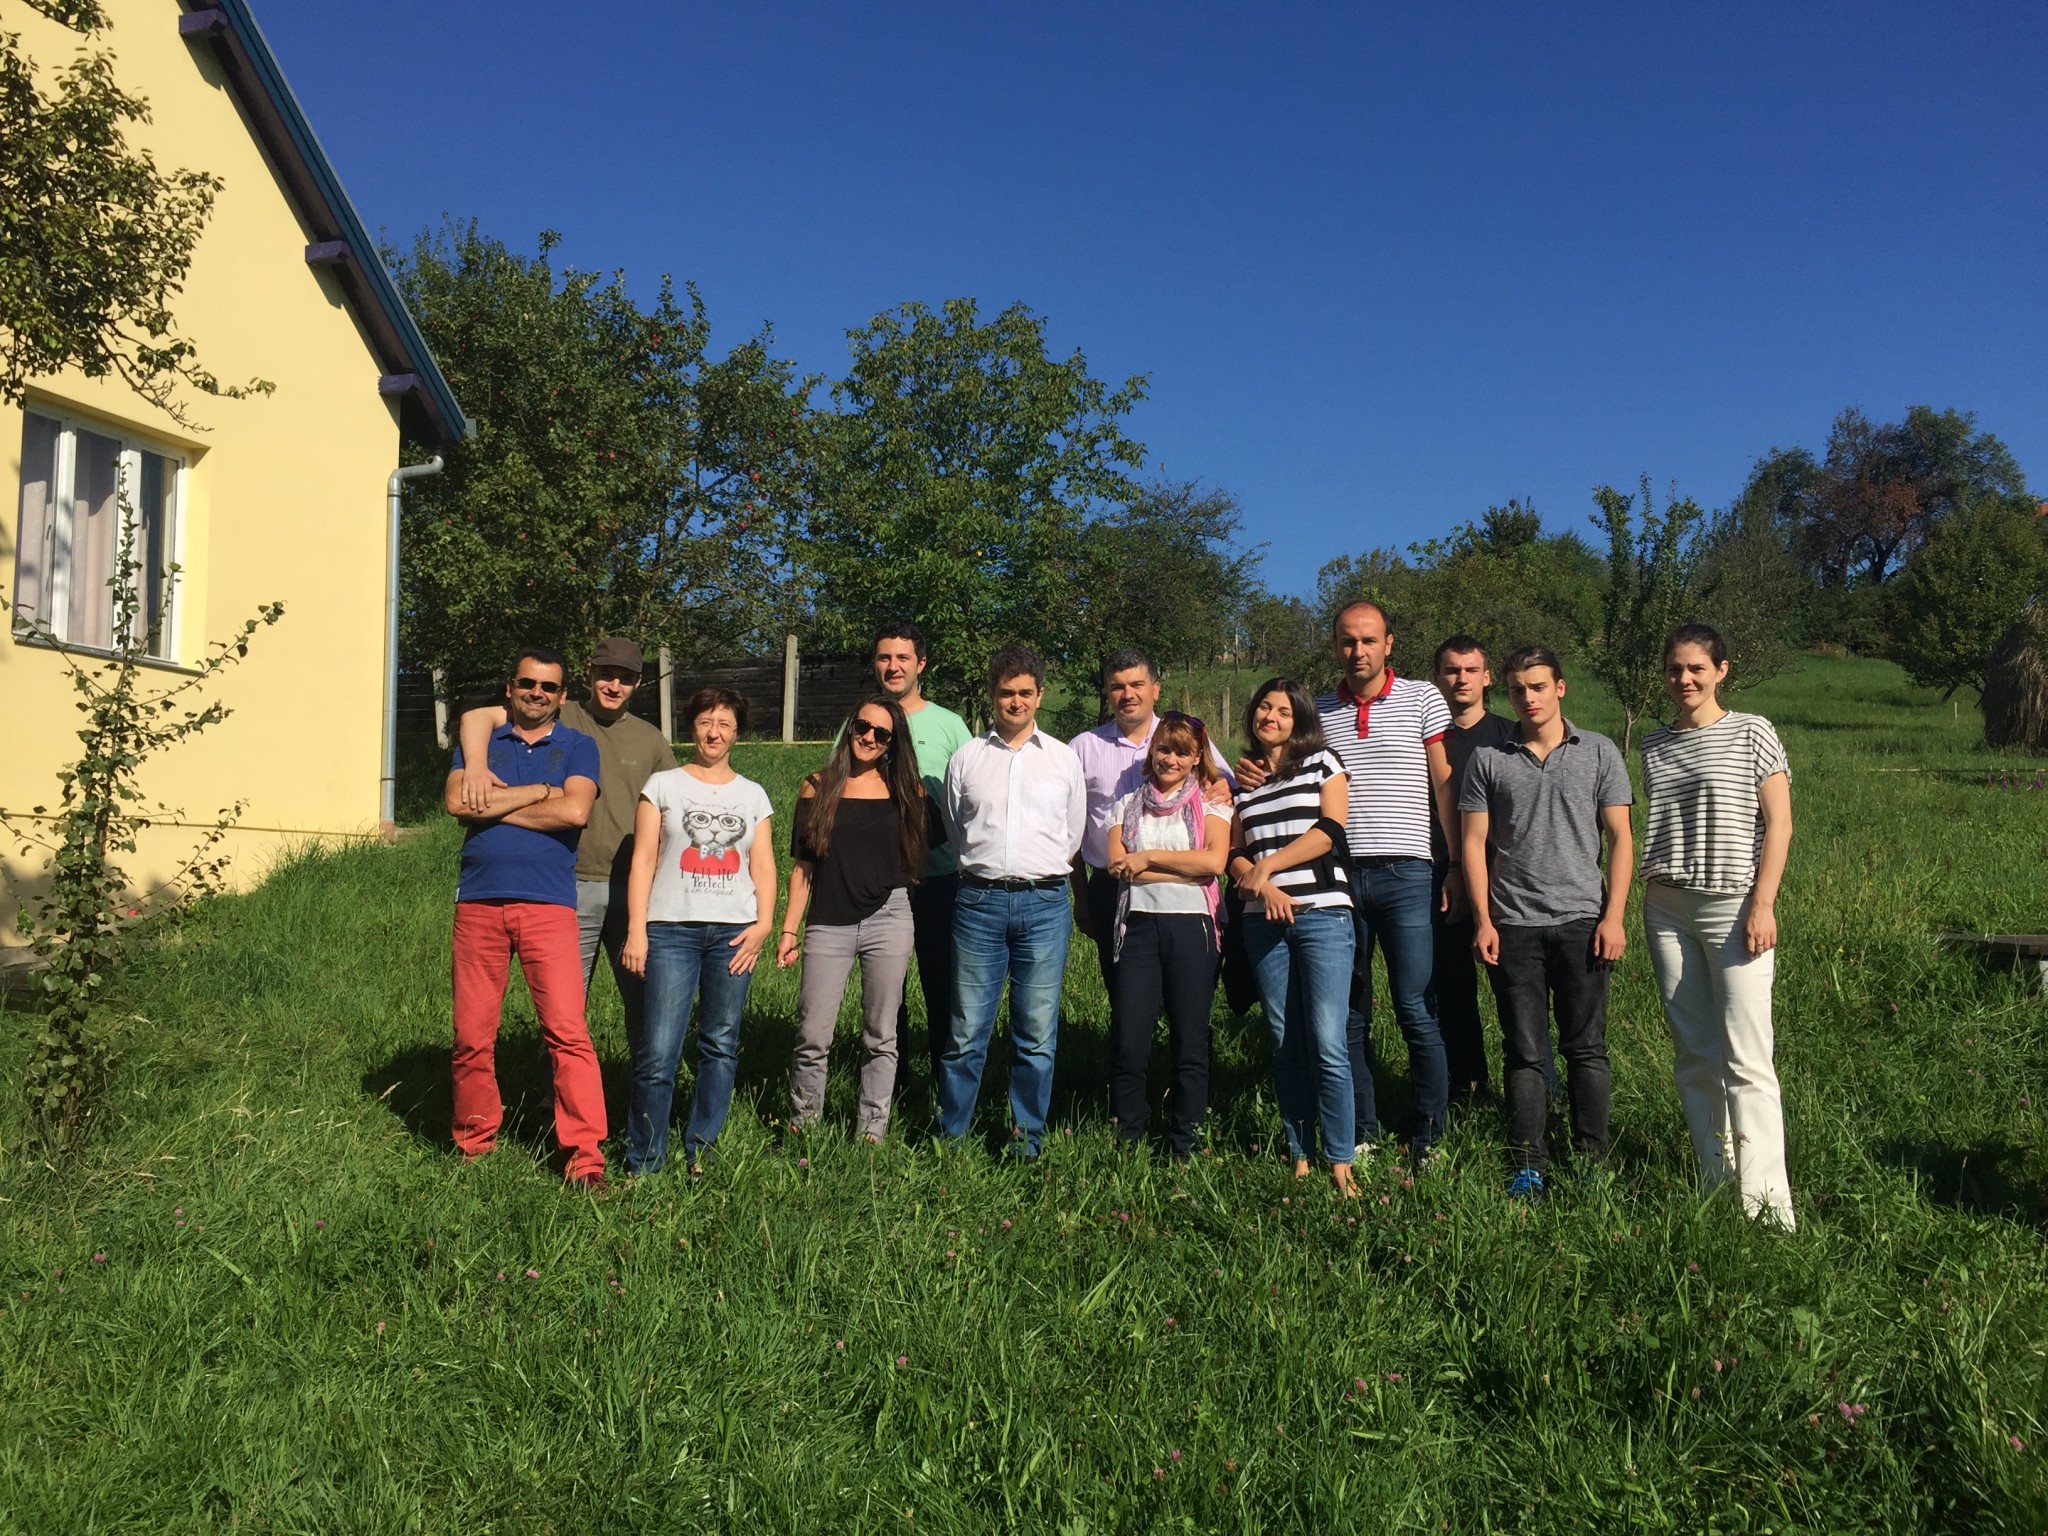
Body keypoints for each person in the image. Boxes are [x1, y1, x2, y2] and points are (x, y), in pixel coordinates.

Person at [1239, 601, 1456, 1165]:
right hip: (1336, 879)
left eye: (1368, 640)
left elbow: (1443, 784)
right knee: (1350, 1015)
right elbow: (1283, 767)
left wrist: (1452, 862)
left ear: (1389, 643)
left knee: (1415, 1004)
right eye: (1347, 641)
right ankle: (1362, 1130)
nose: (1358, 650)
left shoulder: (1422, 698)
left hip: (1407, 870)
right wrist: (1247, 772)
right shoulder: (1319, 711)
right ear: (1335, 645)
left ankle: (1430, 1132)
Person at [1461, 646, 1633, 1200]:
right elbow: (1473, 843)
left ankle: (1591, 1161)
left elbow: (1620, 838)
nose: (1528, 698)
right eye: (1517, 689)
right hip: (1513, 924)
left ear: (1560, 687)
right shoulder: (1488, 758)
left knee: (1586, 1049)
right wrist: (1483, 920)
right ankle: (1527, 1164)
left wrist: (1614, 916)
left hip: (1584, 920)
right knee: (1524, 1050)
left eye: (1538, 686)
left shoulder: (1599, 751)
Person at [1640, 624, 1797, 1228]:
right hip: (1665, 905)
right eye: (1675, 669)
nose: (1684, 679)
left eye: (1696, 669)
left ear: (1721, 671)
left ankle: (1767, 1207)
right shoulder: (1654, 744)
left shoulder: (1752, 731)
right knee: (1694, 1051)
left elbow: (1779, 823)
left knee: (1748, 1056)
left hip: (1734, 904)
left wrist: (1764, 902)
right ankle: (1715, 1179)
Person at [456, 636, 678, 1060]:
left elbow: (673, 811)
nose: (614, 685)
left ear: (638, 683)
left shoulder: (651, 740)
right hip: (569, 885)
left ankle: (642, 1092)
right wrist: (478, 769)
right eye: (606, 675)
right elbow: (476, 717)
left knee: (645, 1003)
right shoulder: (557, 710)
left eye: (625, 678)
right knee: (563, 1012)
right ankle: (552, 1094)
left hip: (635, 888)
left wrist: (490, 811)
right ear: (589, 675)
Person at [443, 647, 607, 1187]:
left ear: (563, 695)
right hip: (479, 905)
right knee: (471, 1036)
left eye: (548, 687)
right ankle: (474, 1145)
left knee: (567, 1033)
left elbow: (575, 810)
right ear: (510, 688)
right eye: (528, 683)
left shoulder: (578, 746)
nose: (537, 693)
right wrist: (538, 792)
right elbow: (457, 803)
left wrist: (494, 805)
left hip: (549, 907)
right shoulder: (482, 742)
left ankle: (584, 1157)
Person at [936, 645, 1087, 1159]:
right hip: (978, 902)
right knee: (965, 1031)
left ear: (1039, 695)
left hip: (1045, 904)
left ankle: (1027, 1140)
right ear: (992, 695)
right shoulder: (967, 758)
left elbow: (1071, 835)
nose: (1015, 702)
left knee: (1036, 1032)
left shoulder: (1063, 759)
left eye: (1025, 692)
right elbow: (957, 829)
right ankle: (952, 1137)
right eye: (1006, 693)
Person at [620, 688, 777, 1176]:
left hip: (734, 936)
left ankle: (702, 1150)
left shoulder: (752, 795)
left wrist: (764, 925)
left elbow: (763, 864)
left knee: (720, 1046)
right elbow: (643, 860)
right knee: (658, 1051)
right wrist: (636, 929)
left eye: (725, 724)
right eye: (707, 722)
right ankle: (645, 1160)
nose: (714, 732)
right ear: (692, 727)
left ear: (737, 733)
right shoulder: (662, 785)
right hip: (670, 931)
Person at [1069, 649, 1232, 1102]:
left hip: (1188, 892)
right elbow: (1070, 828)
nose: (1127, 694)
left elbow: (1224, 787)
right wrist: (1081, 898)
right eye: (1117, 686)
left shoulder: (1182, 734)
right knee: (1127, 1006)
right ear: (1107, 692)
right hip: (1114, 889)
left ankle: (1190, 1105)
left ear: (1155, 689)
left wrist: (1223, 785)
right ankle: (1129, 1103)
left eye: (1137, 684)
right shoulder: (1084, 747)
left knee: (1189, 1011)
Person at [779, 695, 935, 1144]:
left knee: (881, 1034)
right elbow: (803, 867)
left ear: (892, 742)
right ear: (850, 728)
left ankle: (871, 1131)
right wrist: (789, 930)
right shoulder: (817, 786)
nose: (869, 737)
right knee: (812, 1033)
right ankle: (804, 1126)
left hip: (890, 919)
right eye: (862, 727)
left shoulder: (908, 793)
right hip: (828, 921)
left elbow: (926, 850)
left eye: (881, 733)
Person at [1228, 679, 1359, 1195]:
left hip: (1323, 914)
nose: (1271, 717)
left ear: (1300, 720)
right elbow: (1234, 854)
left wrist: (1269, 868)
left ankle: (1341, 1158)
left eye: (1284, 711)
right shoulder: (1243, 782)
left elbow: (1330, 831)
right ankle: (1300, 1152)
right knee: (1284, 1042)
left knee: (1328, 1041)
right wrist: (1260, 882)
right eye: (1264, 707)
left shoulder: (1324, 762)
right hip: (1261, 921)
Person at [1431, 635, 1559, 1105]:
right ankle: (1467, 1088)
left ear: (1487, 679)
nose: (1461, 679)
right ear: (1437, 678)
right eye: (1451, 670)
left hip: (1505, 881)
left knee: (1517, 995)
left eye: (1471, 670)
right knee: (1450, 989)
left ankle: (1542, 1093)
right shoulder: (1425, 739)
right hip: (1439, 877)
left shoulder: (1511, 735)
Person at [1103, 712, 1231, 1158]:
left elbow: (1214, 863)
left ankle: (1186, 1142)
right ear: (1152, 752)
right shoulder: (1126, 804)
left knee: (1190, 1037)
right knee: (1130, 1037)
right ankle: (1128, 1137)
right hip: (1137, 926)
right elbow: (1117, 865)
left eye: (1182, 752)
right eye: (1164, 749)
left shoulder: (1212, 804)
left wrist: (1147, 859)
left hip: (1193, 927)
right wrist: (1182, 870)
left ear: (1197, 758)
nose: (1171, 759)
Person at [870, 622, 974, 1103]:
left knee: (942, 987)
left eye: (902, 658)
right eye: (884, 658)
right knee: (886, 993)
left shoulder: (950, 725)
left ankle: (944, 1090)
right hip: (879, 881)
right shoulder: (862, 721)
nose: (893, 666)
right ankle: (888, 1089)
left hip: (941, 878)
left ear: (921, 665)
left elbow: (973, 797)